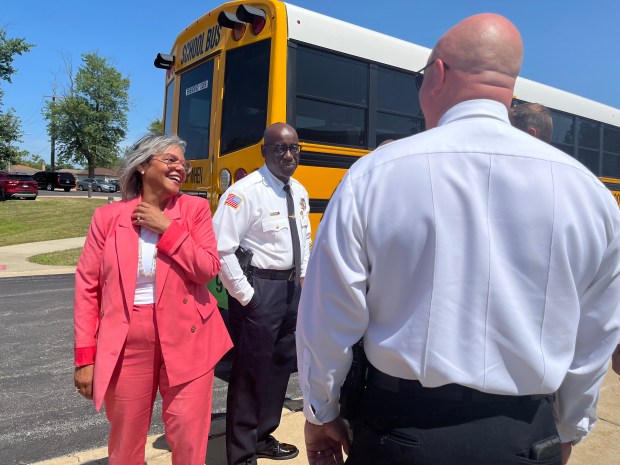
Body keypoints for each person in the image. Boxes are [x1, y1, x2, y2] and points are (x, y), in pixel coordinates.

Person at [296, 13, 620, 465]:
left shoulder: (373, 176)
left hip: (400, 433)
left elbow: (328, 315)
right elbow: (595, 336)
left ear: (438, 74)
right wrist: (567, 430)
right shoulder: (592, 195)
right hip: (527, 437)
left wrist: (320, 409)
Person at [73, 134, 233, 465]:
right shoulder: (108, 219)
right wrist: (85, 358)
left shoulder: (195, 209)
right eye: (171, 160)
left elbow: (207, 269)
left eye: (183, 164)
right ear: (144, 166)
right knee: (125, 443)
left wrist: (167, 229)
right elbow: (88, 287)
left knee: (188, 438)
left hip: (189, 337)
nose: (181, 169)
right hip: (127, 339)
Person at [213, 122, 311, 465]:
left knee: (280, 367)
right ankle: (240, 455)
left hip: (290, 291)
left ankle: (262, 435)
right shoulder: (244, 193)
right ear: (264, 152)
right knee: (250, 373)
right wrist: (246, 296)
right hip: (259, 290)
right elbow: (221, 249)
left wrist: (303, 280)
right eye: (280, 149)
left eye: (294, 148)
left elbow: (305, 239)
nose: (288, 155)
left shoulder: (298, 190)